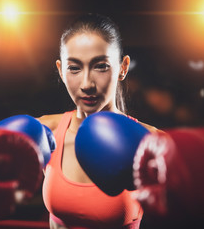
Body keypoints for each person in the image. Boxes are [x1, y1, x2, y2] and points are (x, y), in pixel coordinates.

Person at [37, 13, 158, 229]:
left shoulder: (151, 143)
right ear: (61, 71)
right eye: (74, 67)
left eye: (100, 66)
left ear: (123, 67)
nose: (86, 84)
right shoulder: (45, 132)